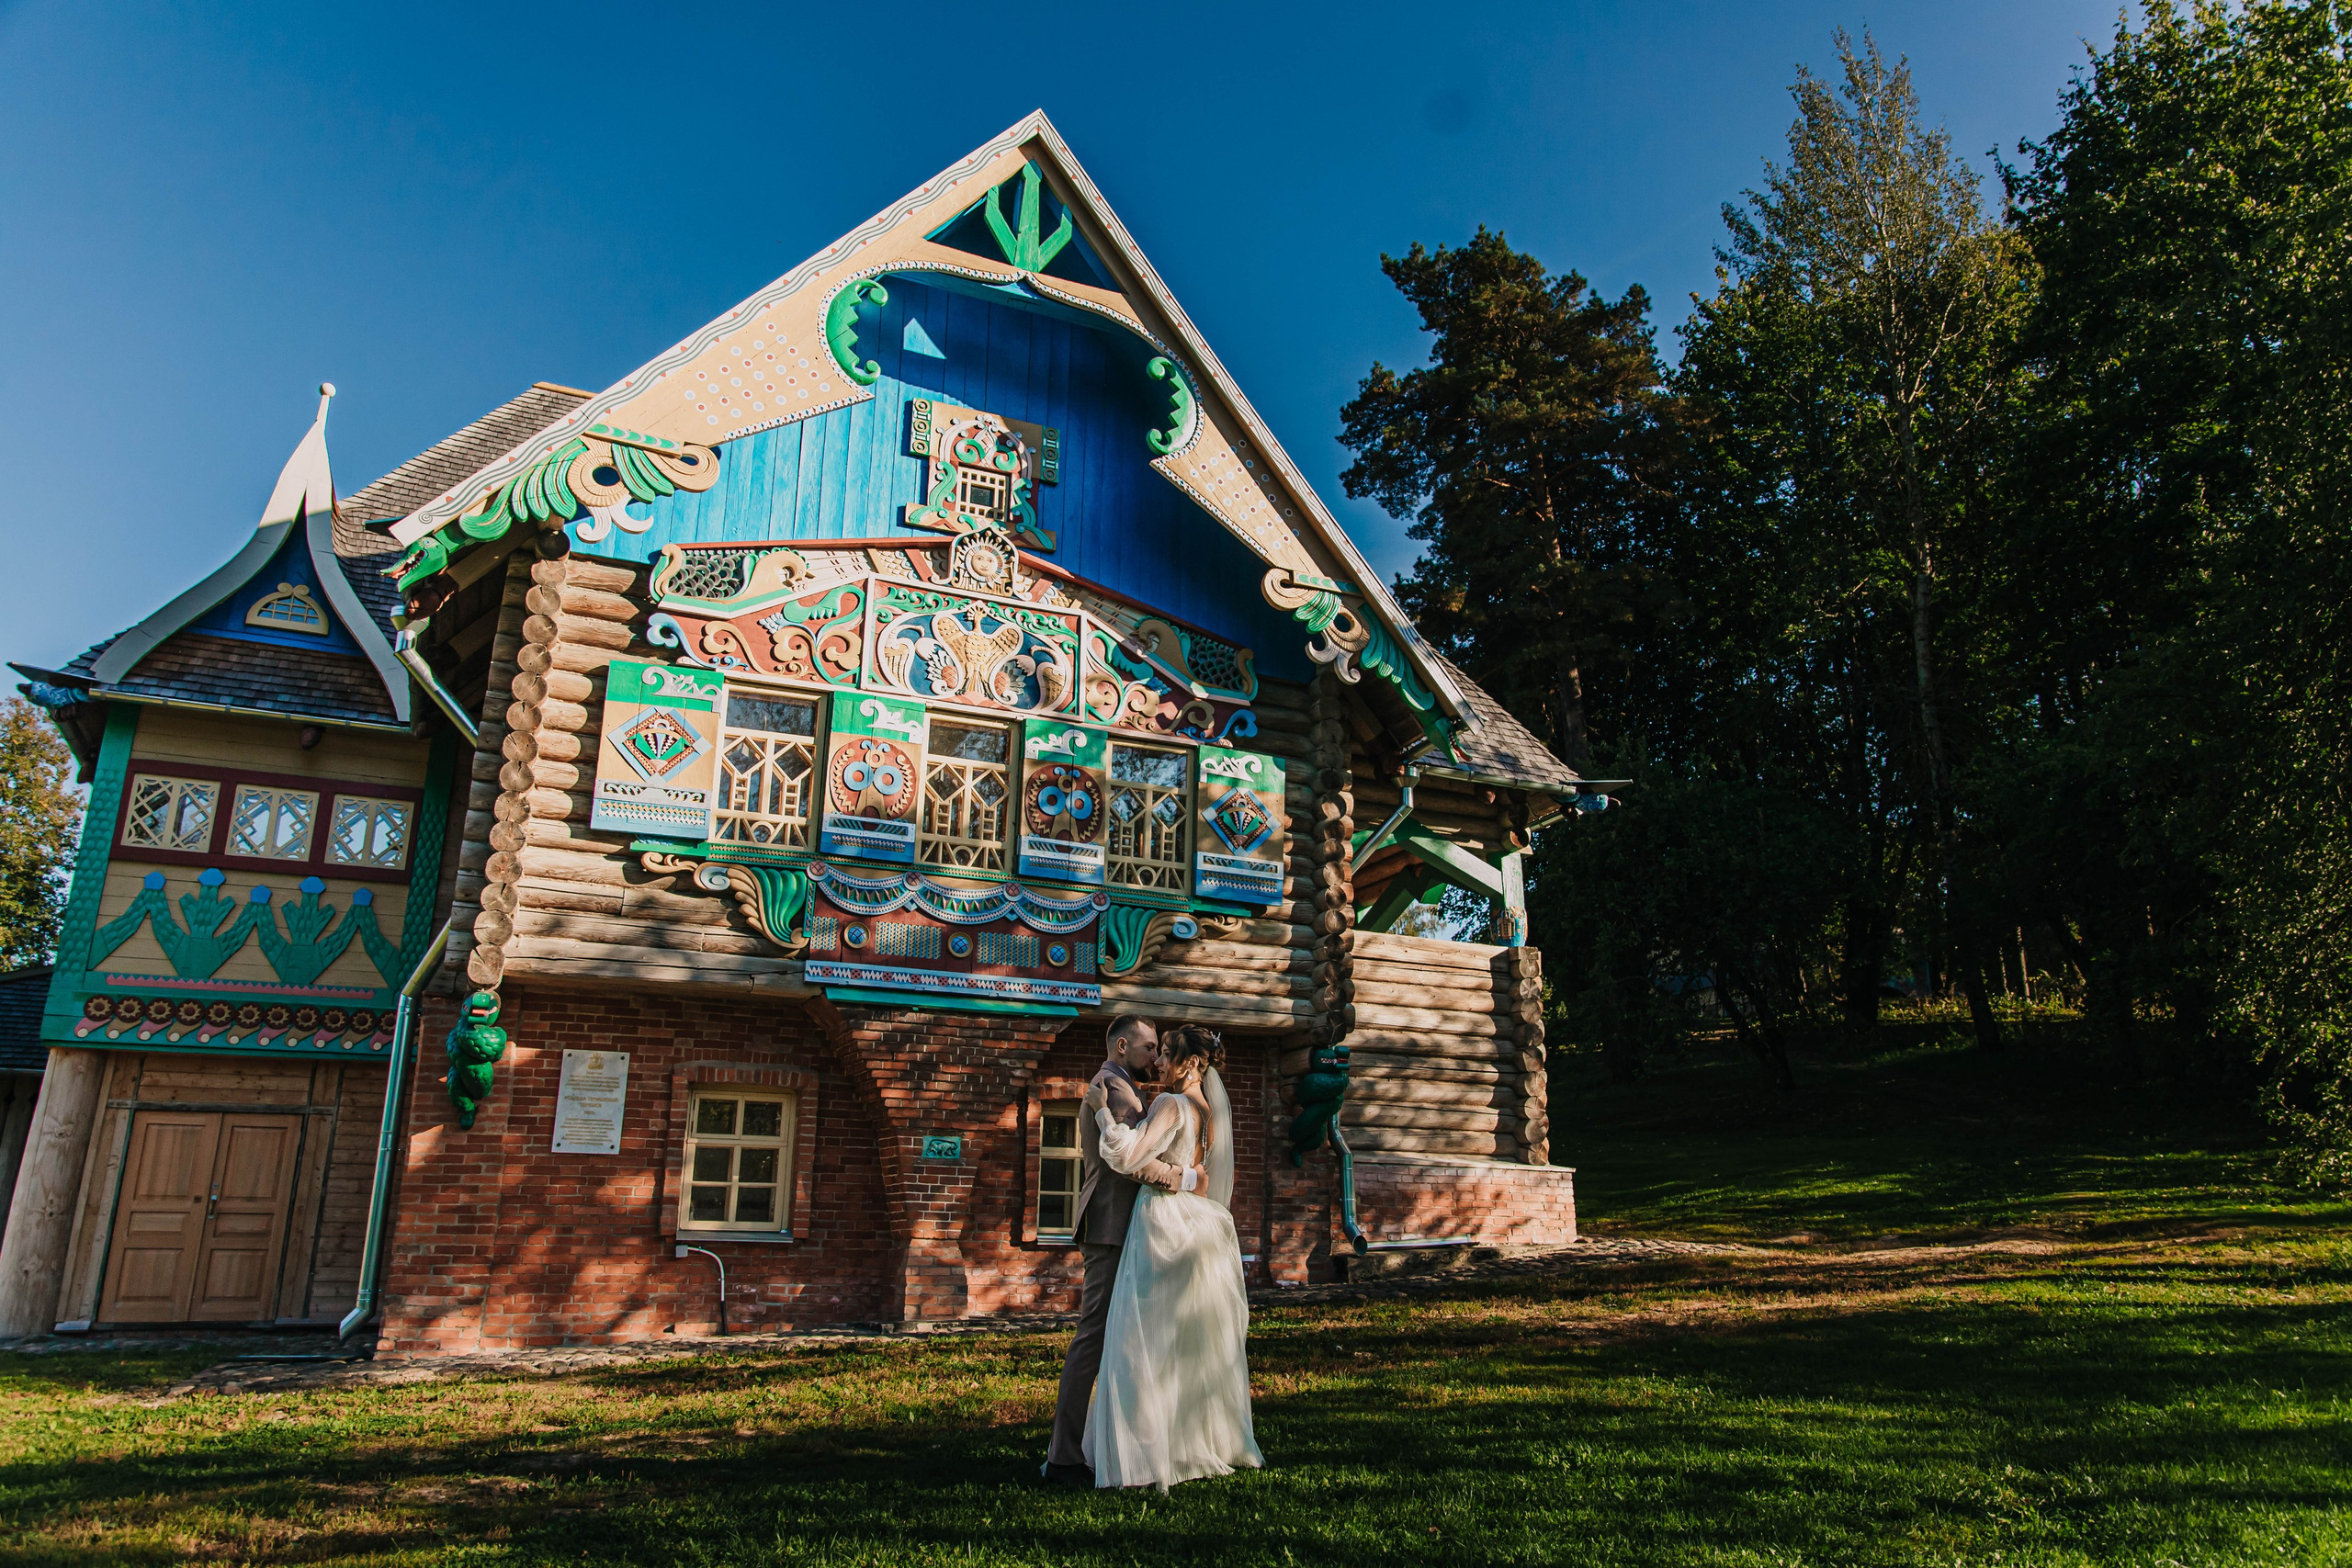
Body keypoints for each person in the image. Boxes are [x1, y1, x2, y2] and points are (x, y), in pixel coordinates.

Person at [1082, 1024, 1263, 1491]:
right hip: (1199, 1223)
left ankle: (1142, 1455)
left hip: (1161, 1223)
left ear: (1192, 1063)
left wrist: (1102, 1113)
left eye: (1166, 1054)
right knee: (1185, 1345)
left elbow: (1126, 1156)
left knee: (1141, 1339)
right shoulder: (1209, 1112)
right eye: (1158, 1052)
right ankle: (1189, 1445)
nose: (1158, 1063)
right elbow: (1201, 1175)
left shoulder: (1170, 1104)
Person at [1040, 1015, 1200, 1486]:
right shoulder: (1115, 1089)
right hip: (1110, 1227)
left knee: (1122, 1339)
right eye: (1150, 1047)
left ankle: (1118, 1445)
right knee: (1093, 1337)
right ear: (1123, 1046)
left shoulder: (1125, 1086)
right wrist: (1188, 1178)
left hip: (1119, 1227)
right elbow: (1132, 1162)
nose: (1156, 1056)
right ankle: (1064, 1457)